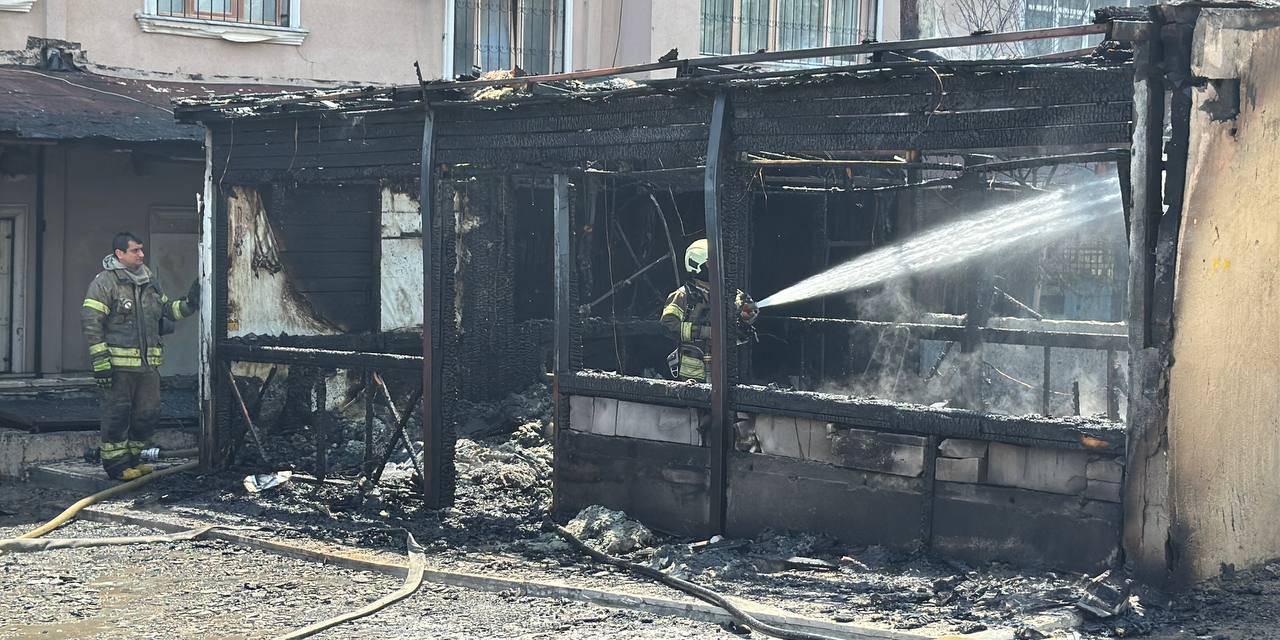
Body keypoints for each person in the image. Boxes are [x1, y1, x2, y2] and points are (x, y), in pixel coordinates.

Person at [81, 232, 200, 481]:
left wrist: (190, 303)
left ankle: (133, 461)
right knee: (117, 416)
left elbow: (167, 311)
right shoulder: (105, 283)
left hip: (148, 368)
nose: (141, 255)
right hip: (118, 368)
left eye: (141, 250)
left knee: (148, 414)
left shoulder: (150, 281)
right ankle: (116, 467)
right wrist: (101, 363)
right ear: (119, 254)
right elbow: (92, 323)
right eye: (135, 250)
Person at [660, 239, 759, 382]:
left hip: (723, 374)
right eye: (711, 262)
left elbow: (740, 332)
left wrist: (746, 317)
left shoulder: (731, 294)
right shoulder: (682, 295)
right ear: (698, 265)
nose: (719, 266)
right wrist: (704, 332)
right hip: (692, 377)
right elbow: (667, 325)